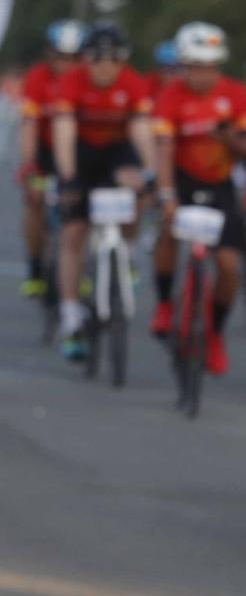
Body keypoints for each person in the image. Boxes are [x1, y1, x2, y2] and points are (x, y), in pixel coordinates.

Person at [148, 22, 246, 376]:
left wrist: (230, 139)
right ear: (183, 66)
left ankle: (214, 333)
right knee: (168, 228)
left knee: (229, 266)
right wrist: (167, 197)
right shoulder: (171, 97)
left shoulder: (238, 95)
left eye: (209, 68)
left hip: (220, 185)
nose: (202, 76)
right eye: (195, 67)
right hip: (181, 180)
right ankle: (166, 303)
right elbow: (164, 152)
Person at [49, 23, 154, 361]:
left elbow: (141, 132)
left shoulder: (134, 84)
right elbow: (64, 132)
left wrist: (149, 172)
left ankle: (128, 251)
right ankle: (70, 316)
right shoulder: (71, 82)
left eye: (113, 61)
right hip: (81, 155)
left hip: (117, 155)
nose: (105, 68)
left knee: (138, 192)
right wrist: (68, 177)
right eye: (97, 60)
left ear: (122, 61)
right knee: (74, 232)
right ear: (87, 60)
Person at [15, 19, 88, 299]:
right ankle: (35, 267)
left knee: (86, 212)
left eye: (74, 58)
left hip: (79, 151)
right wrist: (29, 165)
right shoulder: (37, 78)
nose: (67, 64)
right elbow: (29, 126)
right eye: (60, 57)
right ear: (49, 54)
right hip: (45, 151)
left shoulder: (88, 79)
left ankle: (78, 269)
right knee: (34, 202)